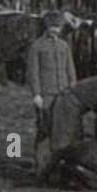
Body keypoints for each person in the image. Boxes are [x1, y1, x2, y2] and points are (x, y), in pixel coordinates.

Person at [26, 11, 77, 181]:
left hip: (63, 93)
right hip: (46, 94)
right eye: (52, 27)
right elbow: (33, 72)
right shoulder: (37, 46)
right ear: (46, 27)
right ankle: (40, 165)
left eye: (58, 28)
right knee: (44, 129)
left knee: (62, 129)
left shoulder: (64, 45)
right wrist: (36, 94)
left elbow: (70, 69)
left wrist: (73, 87)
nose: (55, 31)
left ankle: (58, 165)